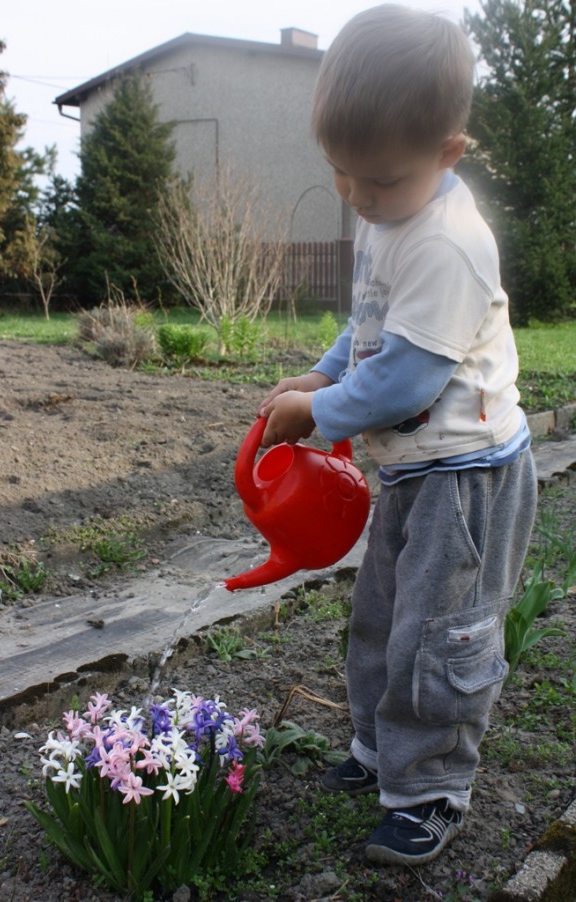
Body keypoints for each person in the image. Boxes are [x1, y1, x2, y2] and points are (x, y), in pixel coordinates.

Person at [257, 4, 537, 867]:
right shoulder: (387, 217)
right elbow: (371, 330)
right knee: (382, 617)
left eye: (376, 181)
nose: (358, 198)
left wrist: (320, 412)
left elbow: (407, 377)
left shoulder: (450, 243)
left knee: (442, 635)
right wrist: (320, 371)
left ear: (448, 153)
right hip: (417, 472)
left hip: (468, 478)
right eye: (342, 174)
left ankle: (432, 790)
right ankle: (383, 754)